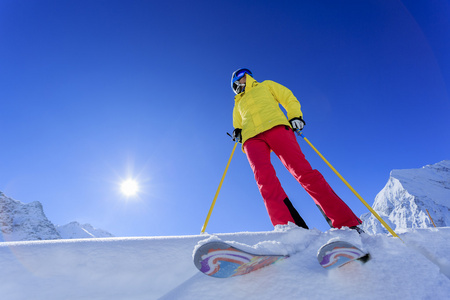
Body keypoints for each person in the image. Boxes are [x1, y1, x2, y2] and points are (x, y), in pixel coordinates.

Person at [230, 68, 362, 231]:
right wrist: (237, 131)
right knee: (264, 181)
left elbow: (288, 98)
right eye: (241, 75)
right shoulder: (238, 102)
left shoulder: (266, 85)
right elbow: (238, 123)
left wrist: (294, 116)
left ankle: (345, 223)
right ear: (236, 82)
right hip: (251, 139)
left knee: (303, 172)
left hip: (276, 126)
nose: (246, 76)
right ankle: (288, 227)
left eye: (246, 74)